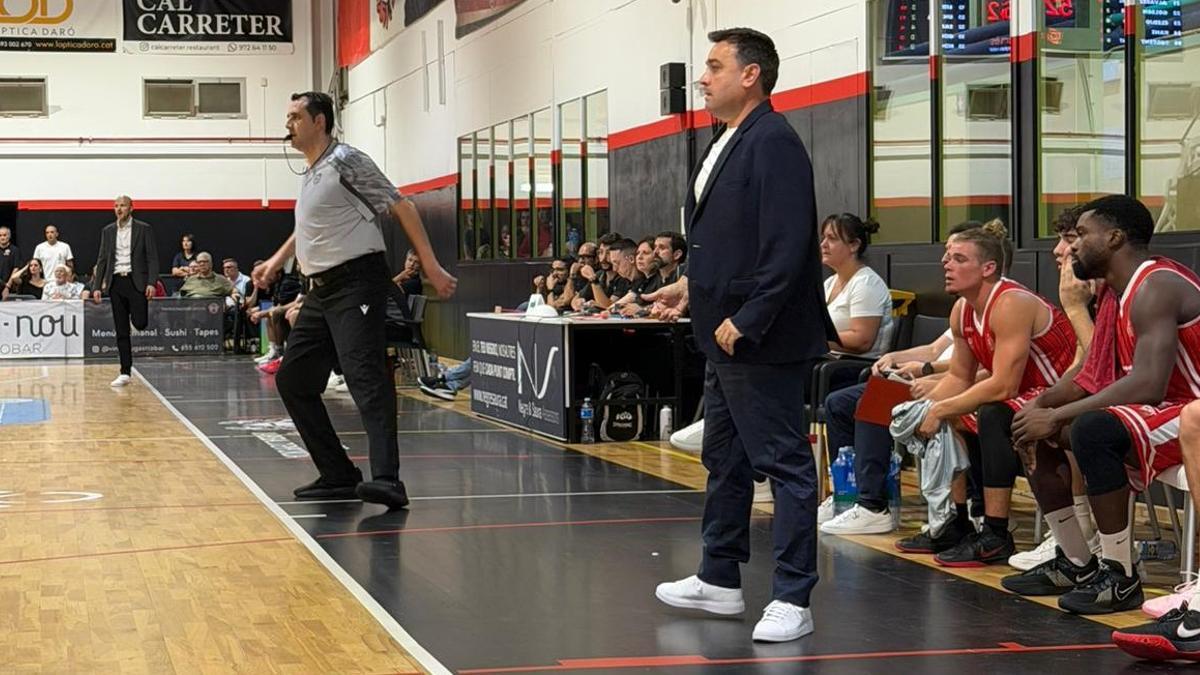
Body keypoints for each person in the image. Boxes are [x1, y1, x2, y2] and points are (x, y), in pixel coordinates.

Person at [653, 27, 836, 644]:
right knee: (723, 458)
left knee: (784, 463)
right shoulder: (726, 140)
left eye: (713, 66)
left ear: (750, 75)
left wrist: (750, 317)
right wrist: (689, 285)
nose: (702, 78)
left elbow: (787, 247)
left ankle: (793, 596)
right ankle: (720, 577)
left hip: (759, 337)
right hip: (719, 329)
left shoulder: (774, 142)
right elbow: (726, 240)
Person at [253, 91, 456, 510]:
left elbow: (401, 205)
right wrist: (276, 260)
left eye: (294, 116)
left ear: (319, 121)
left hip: (357, 283)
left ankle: (388, 480)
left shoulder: (347, 160)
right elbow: (308, 226)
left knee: (365, 376)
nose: (287, 124)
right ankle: (339, 474)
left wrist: (432, 267)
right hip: (319, 291)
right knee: (294, 380)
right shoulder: (311, 172)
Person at [1008, 195, 1200, 619]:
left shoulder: (1156, 285)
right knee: (1027, 423)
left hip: (1191, 411)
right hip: (1168, 408)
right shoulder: (1117, 293)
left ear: (1114, 238)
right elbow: (1093, 375)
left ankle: (1121, 573)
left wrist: (1056, 415)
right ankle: (1078, 562)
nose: (1072, 246)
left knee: (1091, 429)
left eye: (1081, 235)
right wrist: (1037, 408)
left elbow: (1147, 384)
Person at [92, 195, 160, 387]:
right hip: (116, 282)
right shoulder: (108, 231)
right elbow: (102, 258)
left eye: (122, 205)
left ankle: (135, 319)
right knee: (121, 330)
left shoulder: (144, 229)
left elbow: (152, 258)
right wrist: (96, 286)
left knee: (140, 322)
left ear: (131, 208)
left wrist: (151, 282)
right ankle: (125, 371)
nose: (119, 209)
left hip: (136, 281)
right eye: (116, 206)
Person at [820, 214, 893, 357]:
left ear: (854, 245)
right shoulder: (829, 283)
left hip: (853, 368)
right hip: (825, 362)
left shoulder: (867, 283)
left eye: (832, 239)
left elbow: (861, 341)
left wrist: (814, 338)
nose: (823, 244)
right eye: (823, 238)